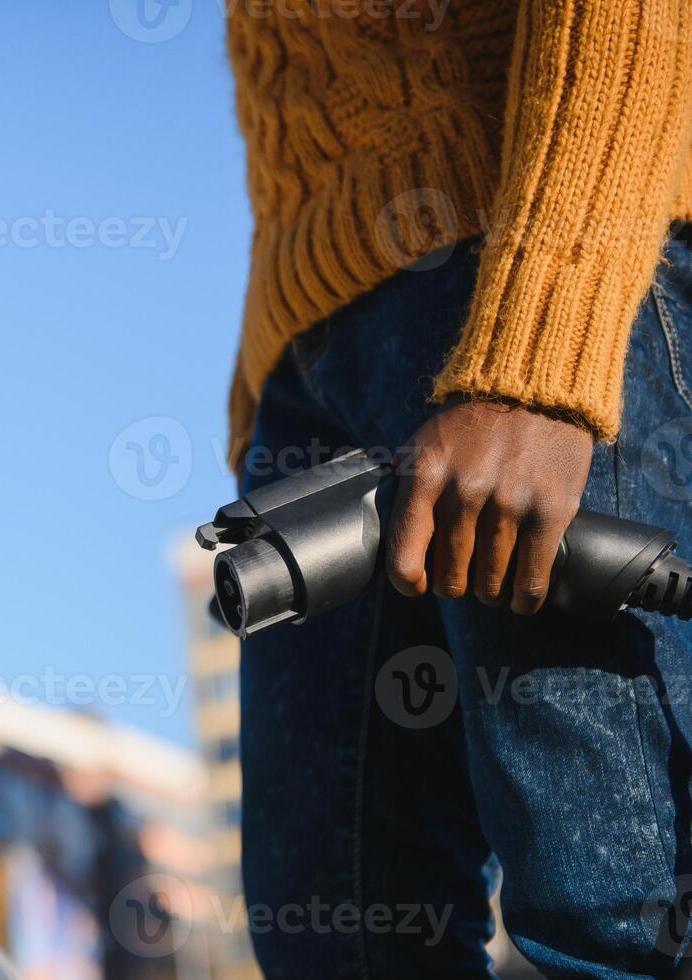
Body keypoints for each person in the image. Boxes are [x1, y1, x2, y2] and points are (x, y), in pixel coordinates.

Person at [225, 1, 692, 975]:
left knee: (618, 923)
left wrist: (548, 324)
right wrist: (269, 376)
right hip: (315, 344)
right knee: (336, 942)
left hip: (530, 264)